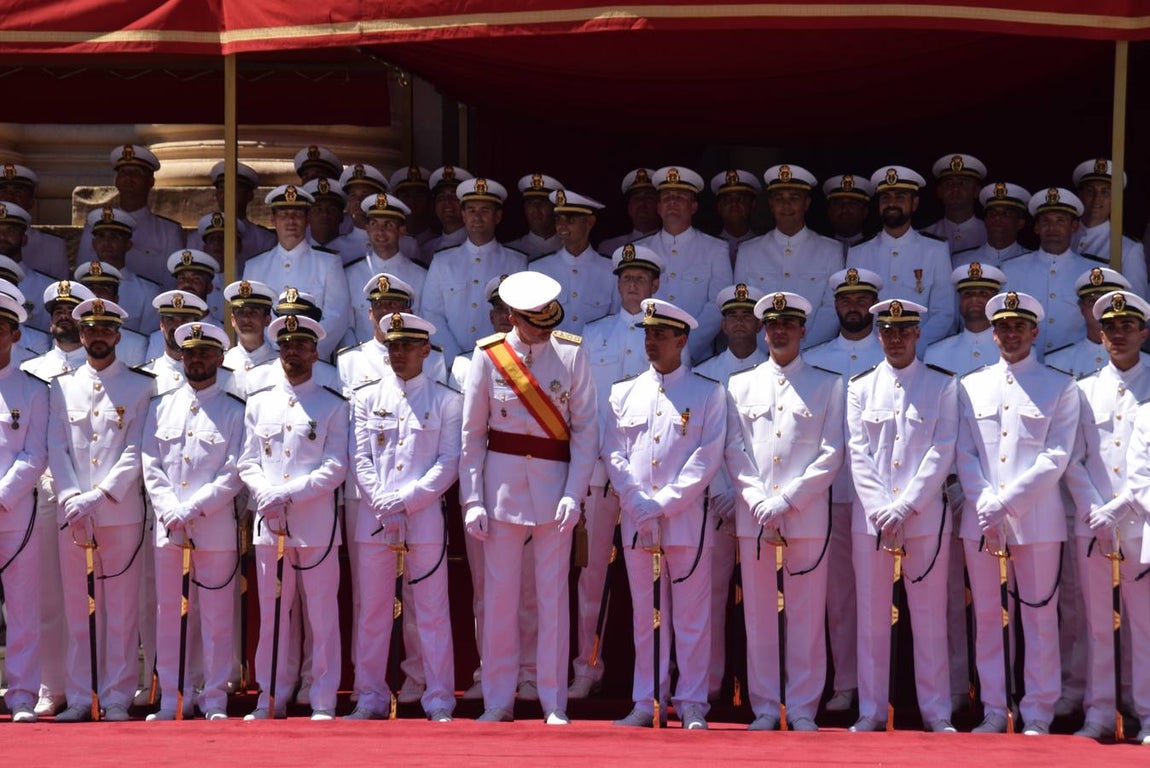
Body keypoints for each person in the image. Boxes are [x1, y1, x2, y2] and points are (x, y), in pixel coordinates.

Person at [460, 271, 597, 725]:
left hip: (554, 487)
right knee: (499, 597)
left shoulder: (571, 354)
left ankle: (553, 700)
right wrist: (473, 499)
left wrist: (575, 493)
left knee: (553, 598)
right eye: (534, 322)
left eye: (548, 321)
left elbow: (585, 433)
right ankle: (498, 698)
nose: (543, 329)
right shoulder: (488, 356)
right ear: (514, 318)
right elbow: (472, 436)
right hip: (500, 490)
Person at [956, 290, 1079, 735]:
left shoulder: (1059, 385)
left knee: (1040, 618)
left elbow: (1057, 455)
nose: (1010, 334)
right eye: (1003, 327)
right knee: (988, 617)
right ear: (992, 334)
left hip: (1037, 521)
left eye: (1018, 327)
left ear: (1035, 331)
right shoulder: (970, 386)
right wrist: (984, 501)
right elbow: (963, 451)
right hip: (982, 519)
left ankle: (1039, 711)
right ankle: (993, 708)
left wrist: (1006, 501)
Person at [604, 298, 726, 730]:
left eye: (660, 334)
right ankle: (645, 699)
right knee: (645, 617)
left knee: (692, 618)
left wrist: (663, 503)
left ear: (682, 339)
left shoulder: (707, 392)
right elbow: (614, 453)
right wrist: (637, 503)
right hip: (638, 521)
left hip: (686, 521)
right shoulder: (623, 392)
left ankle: (691, 701)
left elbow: (706, 459)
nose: (651, 341)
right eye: (648, 333)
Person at [724, 291, 843, 732]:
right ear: (763, 329)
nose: (779, 331)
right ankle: (765, 707)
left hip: (805, 517)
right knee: (758, 616)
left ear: (802, 330)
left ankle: (803, 707)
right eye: (773, 324)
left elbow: (831, 454)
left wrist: (788, 500)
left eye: (788, 324)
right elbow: (733, 449)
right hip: (755, 517)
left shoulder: (827, 383)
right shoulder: (740, 384)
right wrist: (758, 499)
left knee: (806, 617)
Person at [845, 298, 958, 732]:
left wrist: (907, 506)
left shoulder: (941, 385)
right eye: (887, 331)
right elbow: (858, 452)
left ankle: (937, 712)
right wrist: (880, 509)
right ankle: (871, 711)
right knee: (871, 617)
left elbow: (941, 449)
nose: (895, 338)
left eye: (903, 331)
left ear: (916, 334)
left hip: (924, 517)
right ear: (878, 335)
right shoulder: (859, 387)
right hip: (871, 521)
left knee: (929, 617)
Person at [347, 311, 461, 722]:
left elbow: (449, 463)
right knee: (373, 611)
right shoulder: (365, 396)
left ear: (425, 350)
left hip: (424, 519)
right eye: (393, 345)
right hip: (375, 519)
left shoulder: (446, 400)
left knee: (431, 612)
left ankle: (439, 698)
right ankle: (370, 696)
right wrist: (382, 502)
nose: (398, 353)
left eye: (407, 346)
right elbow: (359, 458)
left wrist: (406, 501)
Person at [48, 297, 155, 722]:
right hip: (73, 512)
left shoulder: (139, 386)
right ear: (82, 333)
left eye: (105, 329)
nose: (97, 336)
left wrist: (102, 494)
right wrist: (73, 495)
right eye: (90, 329)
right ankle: (78, 697)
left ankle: (116, 696)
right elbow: (55, 444)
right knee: (78, 608)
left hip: (119, 512)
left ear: (118, 334)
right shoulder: (61, 385)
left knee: (122, 609)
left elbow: (136, 450)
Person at [238, 313, 348, 720]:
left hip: (315, 525)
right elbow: (246, 461)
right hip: (270, 524)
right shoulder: (259, 401)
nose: (292, 351)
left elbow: (336, 466)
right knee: (273, 616)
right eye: (285, 345)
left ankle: (322, 697)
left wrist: (288, 493)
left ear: (315, 351)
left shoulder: (332, 405)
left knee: (321, 615)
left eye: (300, 345)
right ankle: (271, 695)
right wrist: (265, 492)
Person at [569, 244, 665, 699]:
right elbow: (583, 406)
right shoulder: (594, 334)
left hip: (649, 475)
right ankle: (588, 667)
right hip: (600, 471)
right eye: (626, 278)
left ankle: (653, 676)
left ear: (655, 285)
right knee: (592, 577)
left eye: (641, 278)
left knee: (654, 577)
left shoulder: (667, 334)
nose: (632, 285)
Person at [141, 321, 244, 721]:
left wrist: (194, 507)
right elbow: (151, 462)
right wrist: (169, 507)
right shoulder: (160, 406)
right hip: (170, 527)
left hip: (213, 527)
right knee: (170, 613)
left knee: (216, 617)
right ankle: (172, 696)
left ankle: (214, 697)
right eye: (190, 353)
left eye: (205, 353)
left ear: (220, 358)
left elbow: (235, 470)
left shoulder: (234, 410)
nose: (197, 360)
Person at [1065, 290, 1150, 741]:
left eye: (1126, 327)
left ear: (1143, 332)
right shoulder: (1084, 389)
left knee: (1145, 623)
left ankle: (1147, 713)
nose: (1118, 335)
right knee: (1097, 621)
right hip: (1095, 523)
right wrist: (1093, 509)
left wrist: (1123, 505)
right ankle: (1098, 715)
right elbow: (1073, 458)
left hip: (1143, 522)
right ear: (1099, 334)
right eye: (1110, 328)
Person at [923, 261, 1007, 713]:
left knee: (1000, 597)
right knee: (947, 595)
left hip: (992, 489)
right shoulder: (938, 351)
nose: (974, 302)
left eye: (983, 294)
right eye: (968, 294)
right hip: (945, 487)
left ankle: (1003, 691)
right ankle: (955, 687)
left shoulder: (1008, 346)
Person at [803, 267, 887, 710]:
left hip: (887, 497)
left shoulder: (896, 351)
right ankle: (846, 683)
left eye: (861, 299)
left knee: (888, 598)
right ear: (835, 305)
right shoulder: (817, 357)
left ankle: (890, 686)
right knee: (840, 597)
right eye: (846, 300)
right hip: (834, 492)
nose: (853, 307)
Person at [22, 281, 97, 719]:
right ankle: (51, 686)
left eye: (72, 310)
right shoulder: (34, 369)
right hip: (44, 492)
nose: (63, 316)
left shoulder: (104, 368)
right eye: (57, 310)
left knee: (87, 598)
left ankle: (90, 685)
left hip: (87, 493)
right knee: (48, 596)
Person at [0, 290, 49, 722]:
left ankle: (21, 695)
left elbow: (35, 454)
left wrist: (1, 497)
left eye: (0, 327)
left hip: (16, 513)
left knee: (22, 605)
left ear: (14, 333)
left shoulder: (32, 389)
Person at [734, 164, 843, 349]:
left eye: (794, 198)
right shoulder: (748, 251)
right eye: (779, 198)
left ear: (806, 203)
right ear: (771, 204)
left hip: (812, 353)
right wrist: (768, 347)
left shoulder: (830, 250)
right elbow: (743, 307)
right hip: (762, 355)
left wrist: (803, 348)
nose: (786, 205)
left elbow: (831, 308)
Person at [422, 177, 528, 364]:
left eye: (484, 211)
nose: (477, 218)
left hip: (501, 362)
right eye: (471, 210)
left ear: (498, 217)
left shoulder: (516, 262)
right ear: (463, 216)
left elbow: (520, 316)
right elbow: (431, 314)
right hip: (450, 363)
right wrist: (457, 359)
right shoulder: (442, 261)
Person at [242, 184, 351, 360]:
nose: (291, 221)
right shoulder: (255, 266)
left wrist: (306, 352)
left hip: (312, 363)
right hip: (265, 361)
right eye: (284, 215)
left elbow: (337, 317)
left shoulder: (328, 263)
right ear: (273, 220)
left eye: (297, 214)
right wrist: (268, 352)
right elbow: (249, 316)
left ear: (307, 221)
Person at [848, 166, 954, 346]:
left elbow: (944, 313)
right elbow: (855, 311)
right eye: (885, 197)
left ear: (914, 203)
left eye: (900, 197)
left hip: (920, 353)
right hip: (872, 353)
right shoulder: (858, 252)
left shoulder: (935, 250)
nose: (892, 203)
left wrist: (911, 349)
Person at [638, 166, 732, 362]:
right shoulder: (640, 250)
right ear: (659, 207)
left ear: (694, 207)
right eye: (666, 197)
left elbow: (718, 304)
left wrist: (686, 347)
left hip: (697, 357)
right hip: (645, 353)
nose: (672, 202)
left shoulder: (715, 249)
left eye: (680, 197)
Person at [1001, 187, 1096, 358]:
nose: (1052, 227)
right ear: (1036, 227)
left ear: (1074, 226)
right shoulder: (1011, 270)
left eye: (1061, 220)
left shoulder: (1091, 272)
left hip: (1075, 367)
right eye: (1045, 221)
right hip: (1026, 365)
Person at [77, 144, 185, 289]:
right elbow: (82, 277)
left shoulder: (169, 232)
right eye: (123, 172)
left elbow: (173, 284)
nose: (128, 178)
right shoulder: (94, 226)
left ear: (151, 181)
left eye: (136, 172)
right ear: (116, 181)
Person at [343, 193, 427, 345]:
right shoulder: (350, 274)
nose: (380, 232)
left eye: (388, 225)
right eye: (374, 224)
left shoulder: (421, 275)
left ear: (401, 231)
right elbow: (347, 327)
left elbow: (424, 324)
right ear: (367, 229)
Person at [530, 189, 616, 332]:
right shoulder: (538, 269)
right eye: (558, 220)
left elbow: (615, 322)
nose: (561, 227)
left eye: (570, 220)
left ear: (589, 222)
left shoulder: (611, 270)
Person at [1046, 267, 1144, 378]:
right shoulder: (1056, 363)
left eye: (1107, 302)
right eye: (1092, 301)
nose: (1099, 308)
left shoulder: (1145, 363)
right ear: (1081, 307)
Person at [79, 206, 162, 334]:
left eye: (114, 237)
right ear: (94, 244)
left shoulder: (147, 292)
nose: (106, 242)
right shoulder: (79, 288)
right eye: (101, 236)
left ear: (128, 245)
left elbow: (149, 340)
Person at [1072, 158, 1147, 298]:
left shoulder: (1128, 248)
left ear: (1116, 199)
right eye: (1090, 191)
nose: (1097, 198)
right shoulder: (1062, 235)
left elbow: (1136, 303)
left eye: (1105, 192)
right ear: (1080, 196)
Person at [187, 161, 276, 264]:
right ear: (216, 194)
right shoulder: (196, 239)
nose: (226, 194)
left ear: (249, 196)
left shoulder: (264, 240)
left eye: (234, 188)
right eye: (222, 188)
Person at [0, 163, 68, 278]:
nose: (9, 197)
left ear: (31, 201)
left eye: (18, 192)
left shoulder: (53, 246)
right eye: (3, 191)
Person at [952, 183, 1032, 269]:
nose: (997, 217)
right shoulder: (960, 261)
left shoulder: (1033, 262)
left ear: (1020, 223)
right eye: (992, 213)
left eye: (1007, 213)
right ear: (985, 221)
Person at [923, 153, 988, 254]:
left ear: (976, 191)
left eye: (963, 183)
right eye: (948, 183)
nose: (955, 188)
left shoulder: (990, 235)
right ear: (939, 191)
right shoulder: (925, 235)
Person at [221, 280, 277, 394]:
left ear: (267, 319)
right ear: (232, 320)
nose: (246, 319)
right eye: (240, 312)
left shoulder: (280, 364)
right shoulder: (221, 363)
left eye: (254, 312)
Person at [598, 168, 661, 256]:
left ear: (660, 206)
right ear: (629, 209)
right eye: (636, 199)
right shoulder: (610, 247)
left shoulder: (672, 245)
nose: (641, 203)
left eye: (649, 198)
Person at [420, 165, 474, 263]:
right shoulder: (426, 250)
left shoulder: (478, 247)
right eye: (441, 197)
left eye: (454, 196)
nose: (447, 202)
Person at [507, 173, 564, 260]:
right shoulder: (510, 251)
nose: (535, 209)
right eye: (530, 203)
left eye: (543, 202)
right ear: (525, 208)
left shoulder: (569, 250)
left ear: (555, 208)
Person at [710, 169, 760, 266]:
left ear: (752, 205)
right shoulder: (707, 247)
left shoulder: (766, 247)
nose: (734, 203)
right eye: (727, 199)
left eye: (741, 198)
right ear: (719, 207)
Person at [823, 174, 874, 256]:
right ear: (829, 211)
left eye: (852, 204)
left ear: (865, 211)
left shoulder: (876, 249)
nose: (844, 209)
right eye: (838, 204)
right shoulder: (817, 247)